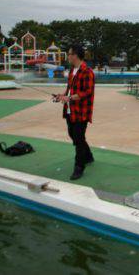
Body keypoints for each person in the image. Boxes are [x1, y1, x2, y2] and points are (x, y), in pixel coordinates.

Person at [53, 45, 95, 180]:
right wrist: (61, 96)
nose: (68, 56)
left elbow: (87, 92)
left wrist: (69, 98)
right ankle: (88, 156)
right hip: (70, 110)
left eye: (69, 54)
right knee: (75, 136)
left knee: (78, 138)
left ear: (76, 55)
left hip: (81, 112)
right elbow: (69, 89)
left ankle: (79, 167)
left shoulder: (87, 71)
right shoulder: (72, 71)